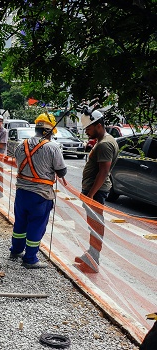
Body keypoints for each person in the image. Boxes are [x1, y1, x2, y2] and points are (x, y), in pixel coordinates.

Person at [9, 113, 67, 269]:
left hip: (22, 192)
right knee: (36, 225)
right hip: (40, 195)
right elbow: (62, 172)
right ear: (48, 132)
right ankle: (30, 258)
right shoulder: (52, 147)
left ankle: (15, 251)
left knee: (20, 223)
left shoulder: (21, 145)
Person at [75, 109, 119, 273]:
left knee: (96, 225)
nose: (86, 132)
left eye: (88, 129)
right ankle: (91, 254)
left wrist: (91, 195)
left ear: (98, 126)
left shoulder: (105, 144)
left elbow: (103, 172)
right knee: (93, 225)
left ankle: (93, 261)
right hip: (94, 190)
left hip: (96, 192)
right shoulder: (104, 141)